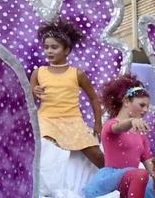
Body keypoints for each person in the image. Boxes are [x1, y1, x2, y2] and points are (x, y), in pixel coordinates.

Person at [32, 22, 105, 172]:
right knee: (47, 147)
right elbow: (29, 100)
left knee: (96, 155)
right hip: (46, 120)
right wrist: (33, 91)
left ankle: (116, 180)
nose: (49, 51)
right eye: (46, 47)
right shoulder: (38, 72)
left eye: (54, 47)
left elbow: (93, 98)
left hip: (72, 120)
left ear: (67, 50)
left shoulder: (77, 73)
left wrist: (98, 123)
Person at [96, 75, 155, 198]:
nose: (145, 110)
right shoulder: (111, 125)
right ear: (126, 101)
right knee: (140, 174)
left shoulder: (140, 134)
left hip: (135, 179)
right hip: (113, 180)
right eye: (142, 105)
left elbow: (148, 162)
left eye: (147, 107)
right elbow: (117, 128)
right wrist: (131, 122)